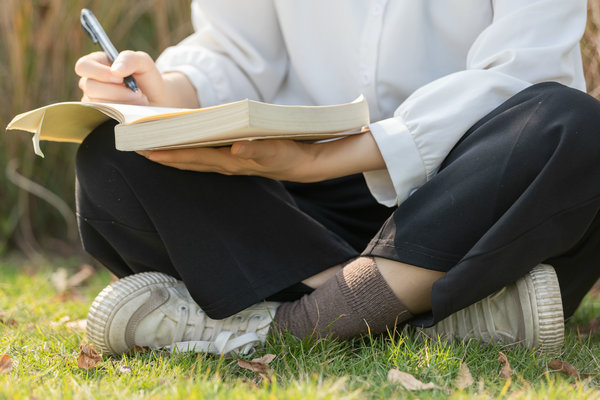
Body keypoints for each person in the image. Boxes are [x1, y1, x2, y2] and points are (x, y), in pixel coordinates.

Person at [75, 0, 600, 357]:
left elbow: (523, 74)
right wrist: (164, 94)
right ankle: (428, 308)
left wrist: (315, 159)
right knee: (111, 153)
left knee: (573, 127)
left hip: (472, 192)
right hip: (298, 211)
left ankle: (288, 325)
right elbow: (233, 51)